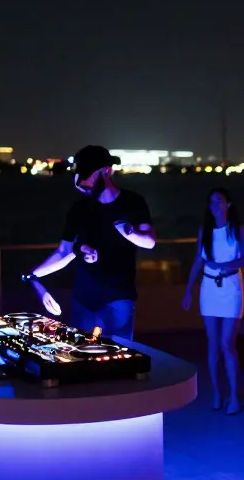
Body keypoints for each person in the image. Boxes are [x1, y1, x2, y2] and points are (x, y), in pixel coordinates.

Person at [26, 145, 155, 339]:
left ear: (107, 171)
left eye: (89, 174)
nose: (83, 181)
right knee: (82, 361)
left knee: (120, 361)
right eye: (80, 175)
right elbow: (64, 252)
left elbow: (149, 241)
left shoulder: (132, 202)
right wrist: (32, 277)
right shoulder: (79, 208)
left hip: (119, 299)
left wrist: (127, 230)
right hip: (83, 301)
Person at [182, 188, 244, 415]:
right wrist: (189, 290)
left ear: (228, 204)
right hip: (209, 287)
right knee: (212, 343)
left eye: (219, 201)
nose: (214, 205)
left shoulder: (238, 230)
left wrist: (224, 266)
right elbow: (198, 262)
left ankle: (234, 395)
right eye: (211, 202)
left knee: (227, 343)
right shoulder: (206, 231)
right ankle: (217, 393)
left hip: (231, 287)